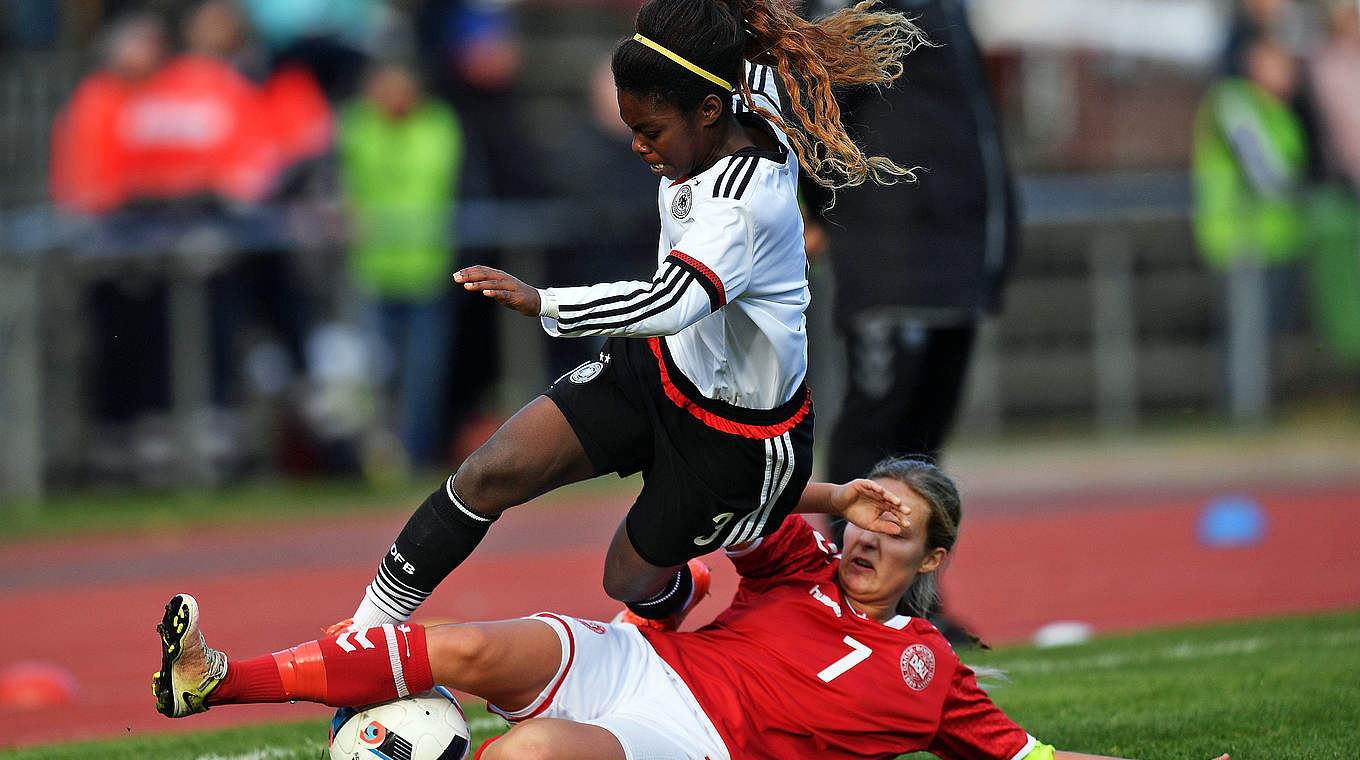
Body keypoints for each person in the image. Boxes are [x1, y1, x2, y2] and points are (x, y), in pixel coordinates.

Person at [338, 0, 929, 635]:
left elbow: (670, 302)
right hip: (661, 367)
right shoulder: (734, 95)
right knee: (489, 472)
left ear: (706, 112)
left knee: (624, 579)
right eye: (630, 128)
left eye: (651, 131)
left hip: (740, 434)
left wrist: (543, 301)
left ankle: (691, 603)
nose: (639, 146)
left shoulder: (739, 205)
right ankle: (362, 635)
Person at [153, 457, 1230, 760]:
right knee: (467, 645)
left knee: (525, 755)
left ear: (931, 555)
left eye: (891, 526)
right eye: (864, 513)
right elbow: (725, 489)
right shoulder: (800, 559)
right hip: (642, 659)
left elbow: (1032, 758)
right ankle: (218, 678)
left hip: (688, 739)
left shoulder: (931, 674)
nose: (865, 535)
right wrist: (820, 493)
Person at [339, 61, 465, 467]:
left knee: (422, 376)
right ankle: (370, 460)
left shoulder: (437, 125)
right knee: (371, 377)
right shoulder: (357, 125)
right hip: (371, 272)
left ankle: (414, 456)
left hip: (425, 269)